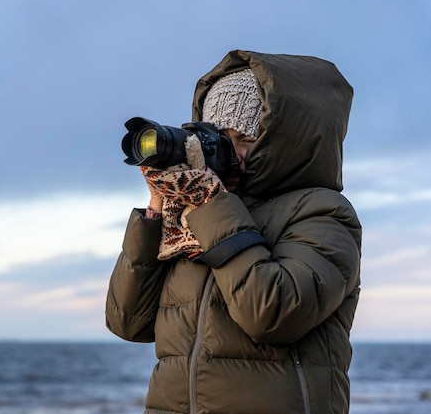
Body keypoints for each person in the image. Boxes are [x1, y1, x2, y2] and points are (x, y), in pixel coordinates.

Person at [105, 49, 362, 414]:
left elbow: (272, 315)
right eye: (218, 136)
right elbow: (127, 321)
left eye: (243, 138)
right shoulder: (196, 212)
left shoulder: (323, 213)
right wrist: (158, 207)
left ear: (280, 143)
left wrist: (211, 204)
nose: (227, 151)